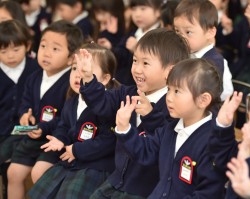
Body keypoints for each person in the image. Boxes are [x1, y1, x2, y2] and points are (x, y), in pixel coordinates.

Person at [79, 28, 190, 198]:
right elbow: (102, 103)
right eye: (135, 61)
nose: (137, 69)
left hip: (145, 190)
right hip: (117, 180)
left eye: (145, 63)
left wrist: (150, 115)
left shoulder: (174, 106)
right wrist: (88, 78)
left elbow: (166, 144)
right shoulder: (128, 93)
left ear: (171, 71)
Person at [113, 58, 234, 198]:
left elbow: (207, 193)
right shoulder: (170, 128)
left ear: (203, 100)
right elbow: (146, 152)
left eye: (177, 91)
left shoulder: (213, 142)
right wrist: (124, 128)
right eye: (168, 89)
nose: (169, 97)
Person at [28, 42, 119, 199]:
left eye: (86, 70)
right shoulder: (72, 100)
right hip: (73, 160)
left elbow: (109, 141)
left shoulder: (107, 105)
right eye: (75, 68)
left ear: (104, 79)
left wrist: (77, 150)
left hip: (95, 166)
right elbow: (63, 126)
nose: (78, 74)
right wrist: (60, 140)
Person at [6, 20, 83, 199]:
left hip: (55, 140)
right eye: (43, 46)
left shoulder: (71, 82)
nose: (46, 53)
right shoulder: (34, 77)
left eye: (55, 49)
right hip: (32, 136)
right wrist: (26, 116)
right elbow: (25, 104)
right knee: (13, 173)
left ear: (71, 58)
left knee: (39, 174)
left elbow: (67, 118)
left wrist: (44, 127)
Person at [0, 19, 39, 199]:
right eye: (3, 51)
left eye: (16, 49)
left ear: (27, 45)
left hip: (24, 131)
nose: (10, 56)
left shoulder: (35, 70)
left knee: (12, 165)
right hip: (1, 130)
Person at [173, 0, 233, 101]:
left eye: (188, 32)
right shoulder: (182, 53)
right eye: (177, 31)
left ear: (210, 32)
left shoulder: (214, 62)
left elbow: (215, 95)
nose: (181, 37)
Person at [113, 0, 162, 85]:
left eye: (143, 9)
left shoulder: (161, 36)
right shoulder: (133, 32)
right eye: (134, 9)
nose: (137, 14)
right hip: (122, 84)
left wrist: (138, 49)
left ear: (158, 11)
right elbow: (119, 57)